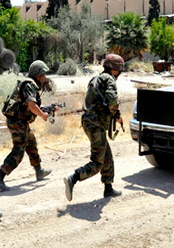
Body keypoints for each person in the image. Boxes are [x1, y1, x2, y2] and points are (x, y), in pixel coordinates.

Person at [64, 54, 124, 201]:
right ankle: (74, 177)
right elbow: (112, 100)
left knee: (107, 156)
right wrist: (116, 114)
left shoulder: (95, 79)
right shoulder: (109, 79)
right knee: (97, 162)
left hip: (89, 121)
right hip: (96, 124)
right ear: (115, 69)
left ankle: (108, 188)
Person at [0, 60, 53, 191]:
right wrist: (43, 115)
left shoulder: (27, 83)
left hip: (19, 120)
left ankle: (39, 171)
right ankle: (0, 177)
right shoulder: (30, 85)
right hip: (18, 122)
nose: (46, 77)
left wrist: (47, 109)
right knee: (19, 150)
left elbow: (29, 106)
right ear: (39, 75)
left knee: (31, 143)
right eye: (44, 74)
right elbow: (32, 105)